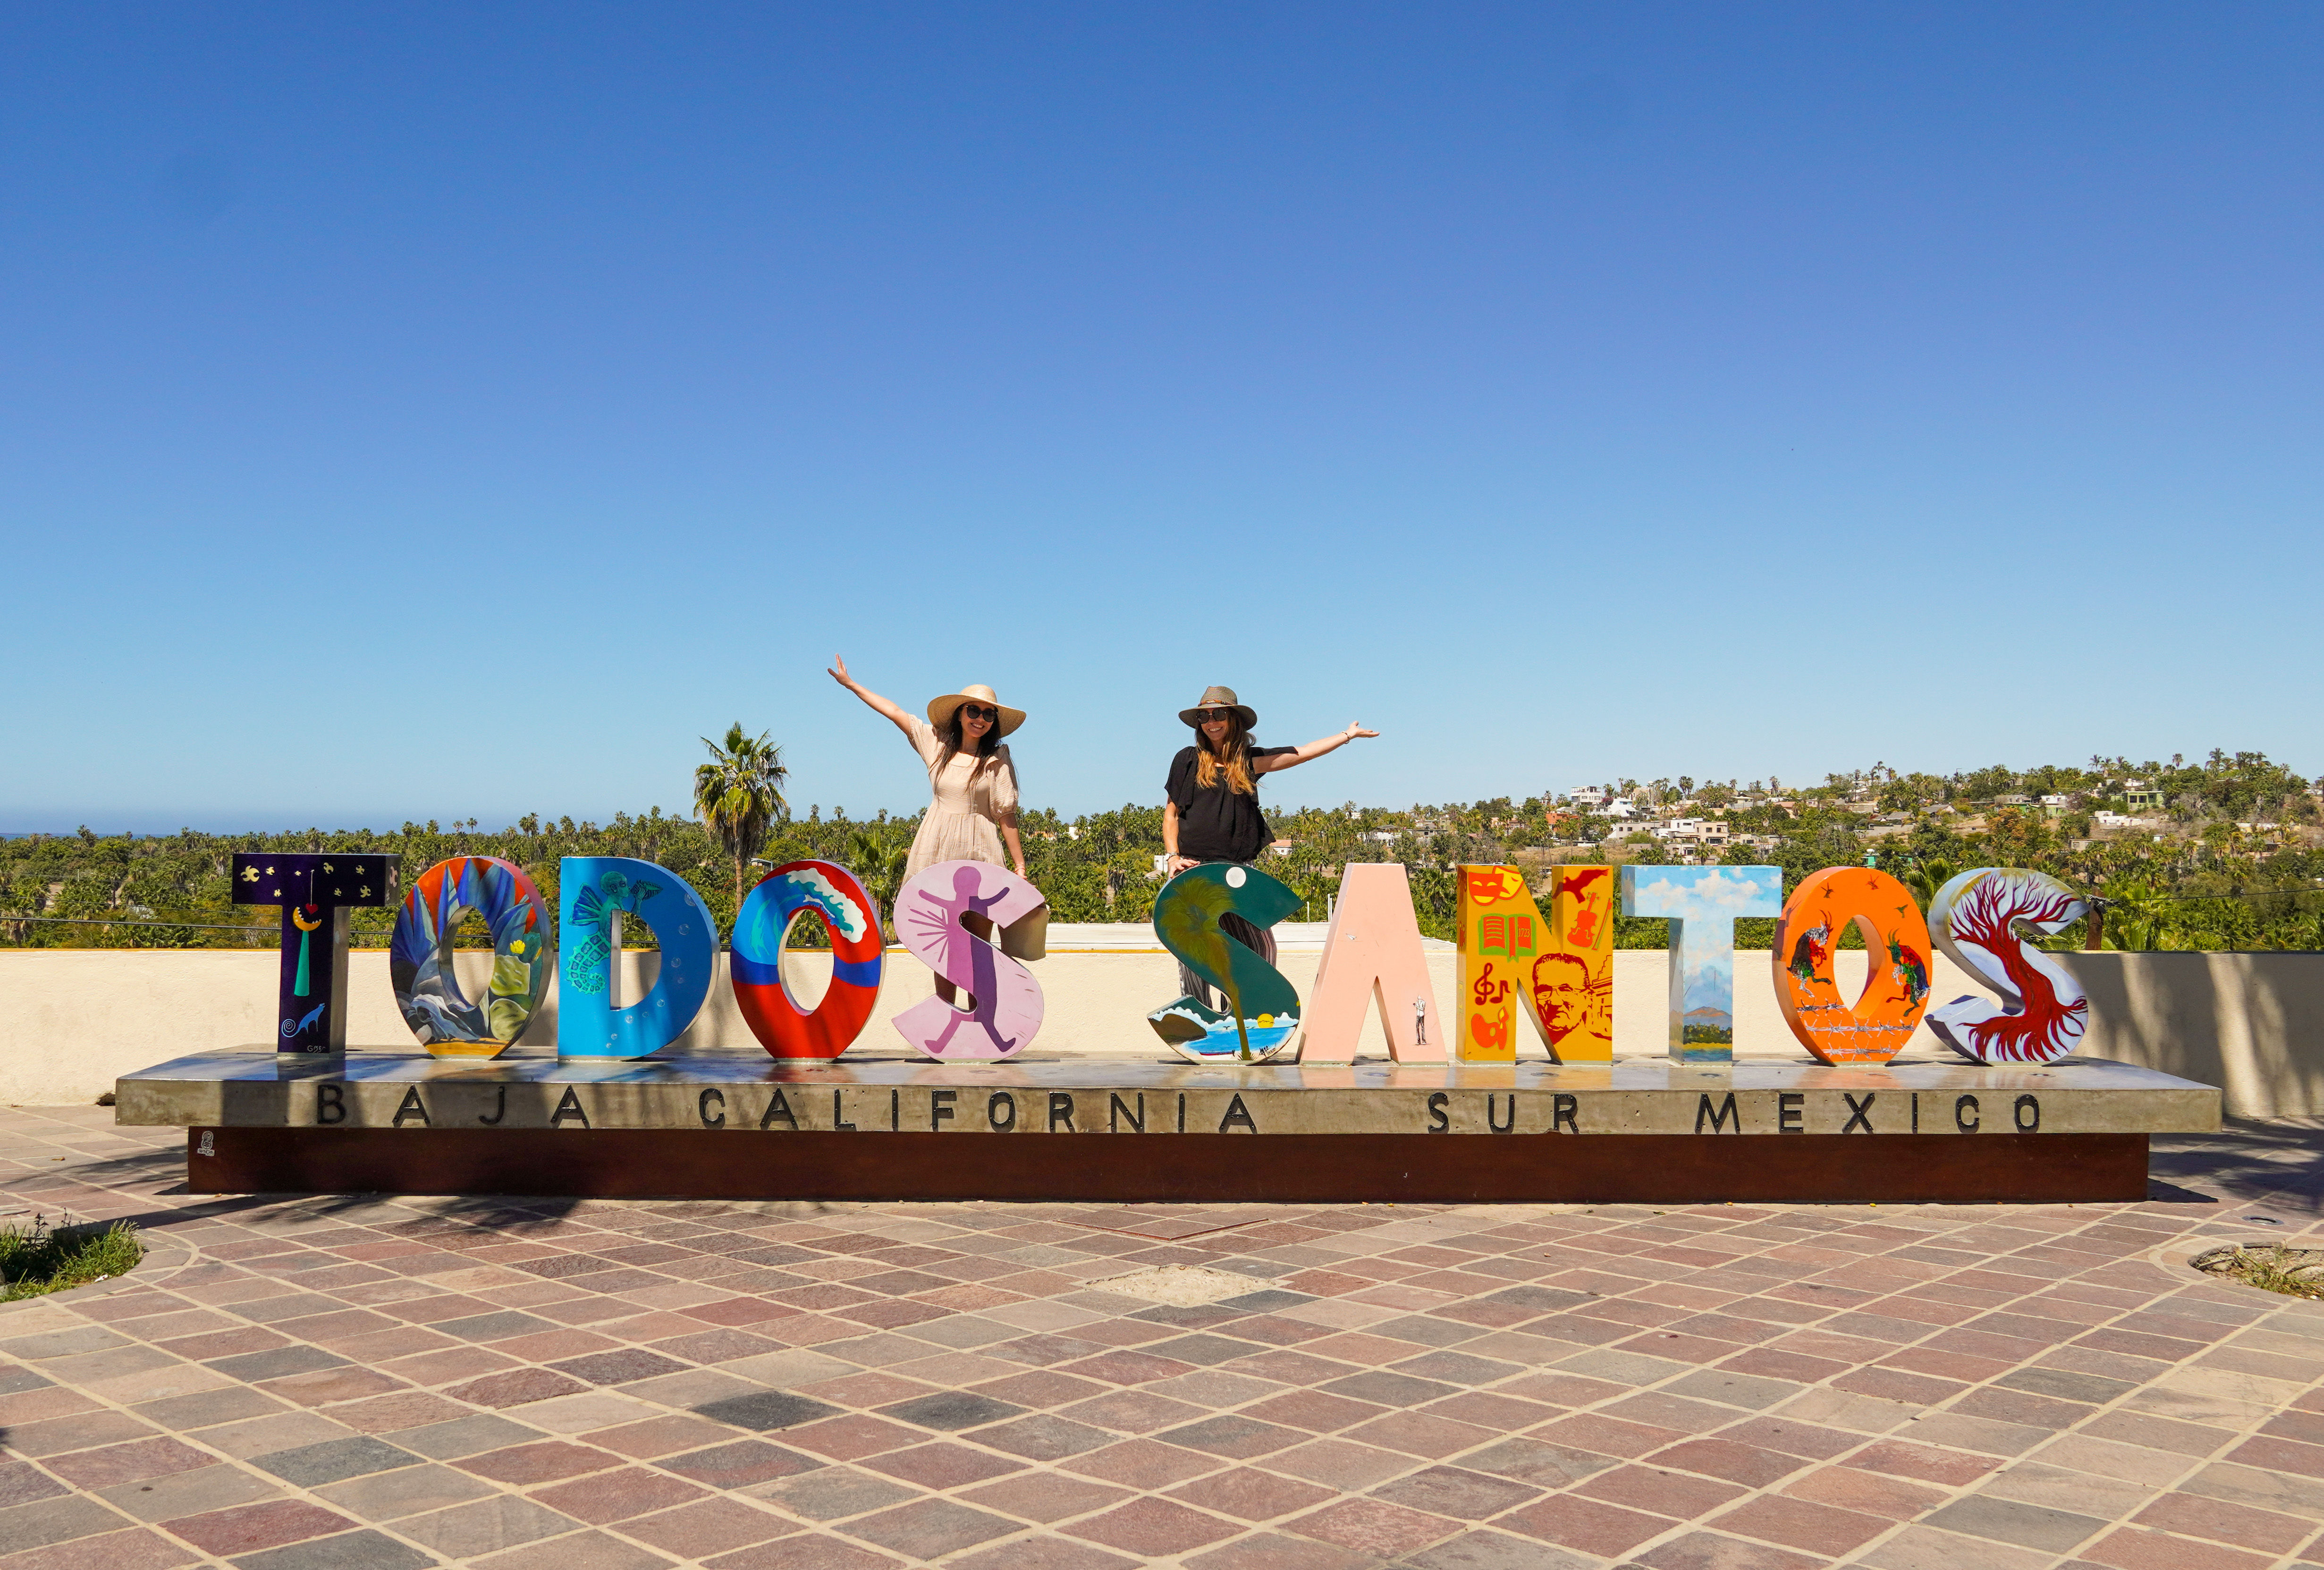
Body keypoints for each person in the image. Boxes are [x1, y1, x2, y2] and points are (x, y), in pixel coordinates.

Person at [828, 658, 1042, 995]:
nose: (981, 719)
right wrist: (852, 685)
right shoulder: (936, 744)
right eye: (974, 710)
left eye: (989, 714)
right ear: (959, 713)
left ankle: (977, 1027)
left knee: (977, 945)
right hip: (937, 851)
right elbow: (894, 711)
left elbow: (1006, 815)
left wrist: (1019, 865)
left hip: (981, 853)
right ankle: (946, 1016)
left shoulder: (997, 758)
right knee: (946, 947)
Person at [1161, 684, 1377, 1007]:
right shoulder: (1187, 761)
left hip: (1238, 872)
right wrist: (1173, 856)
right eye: (1204, 716)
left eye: (1219, 714)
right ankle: (1202, 1031)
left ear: (1233, 720)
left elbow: (1301, 752)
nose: (1212, 722)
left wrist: (1346, 736)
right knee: (1194, 954)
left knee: (1258, 950)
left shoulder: (1249, 761)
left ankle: (1245, 1023)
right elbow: (1171, 815)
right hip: (1193, 870)